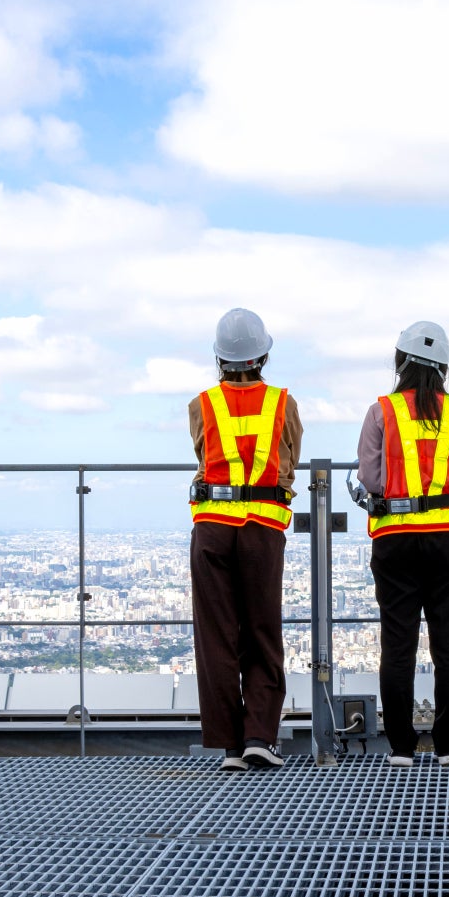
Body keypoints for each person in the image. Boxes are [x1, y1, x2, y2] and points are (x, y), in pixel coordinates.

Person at [351, 321, 449, 767]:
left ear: (400, 362)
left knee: (398, 644)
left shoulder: (382, 413)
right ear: (444, 368)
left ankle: (401, 748)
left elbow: (371, 479)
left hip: (396, 539)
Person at [188, 308, 302, 771]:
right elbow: (289, 459)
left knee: (217, 637)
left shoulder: (202, 404)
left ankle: (230, 744)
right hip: (261, 529)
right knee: (261, 631)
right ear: (264, 356)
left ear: (220, 359)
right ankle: (260, 734)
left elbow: (202, 452)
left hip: (212, 527)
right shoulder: (283, 403)